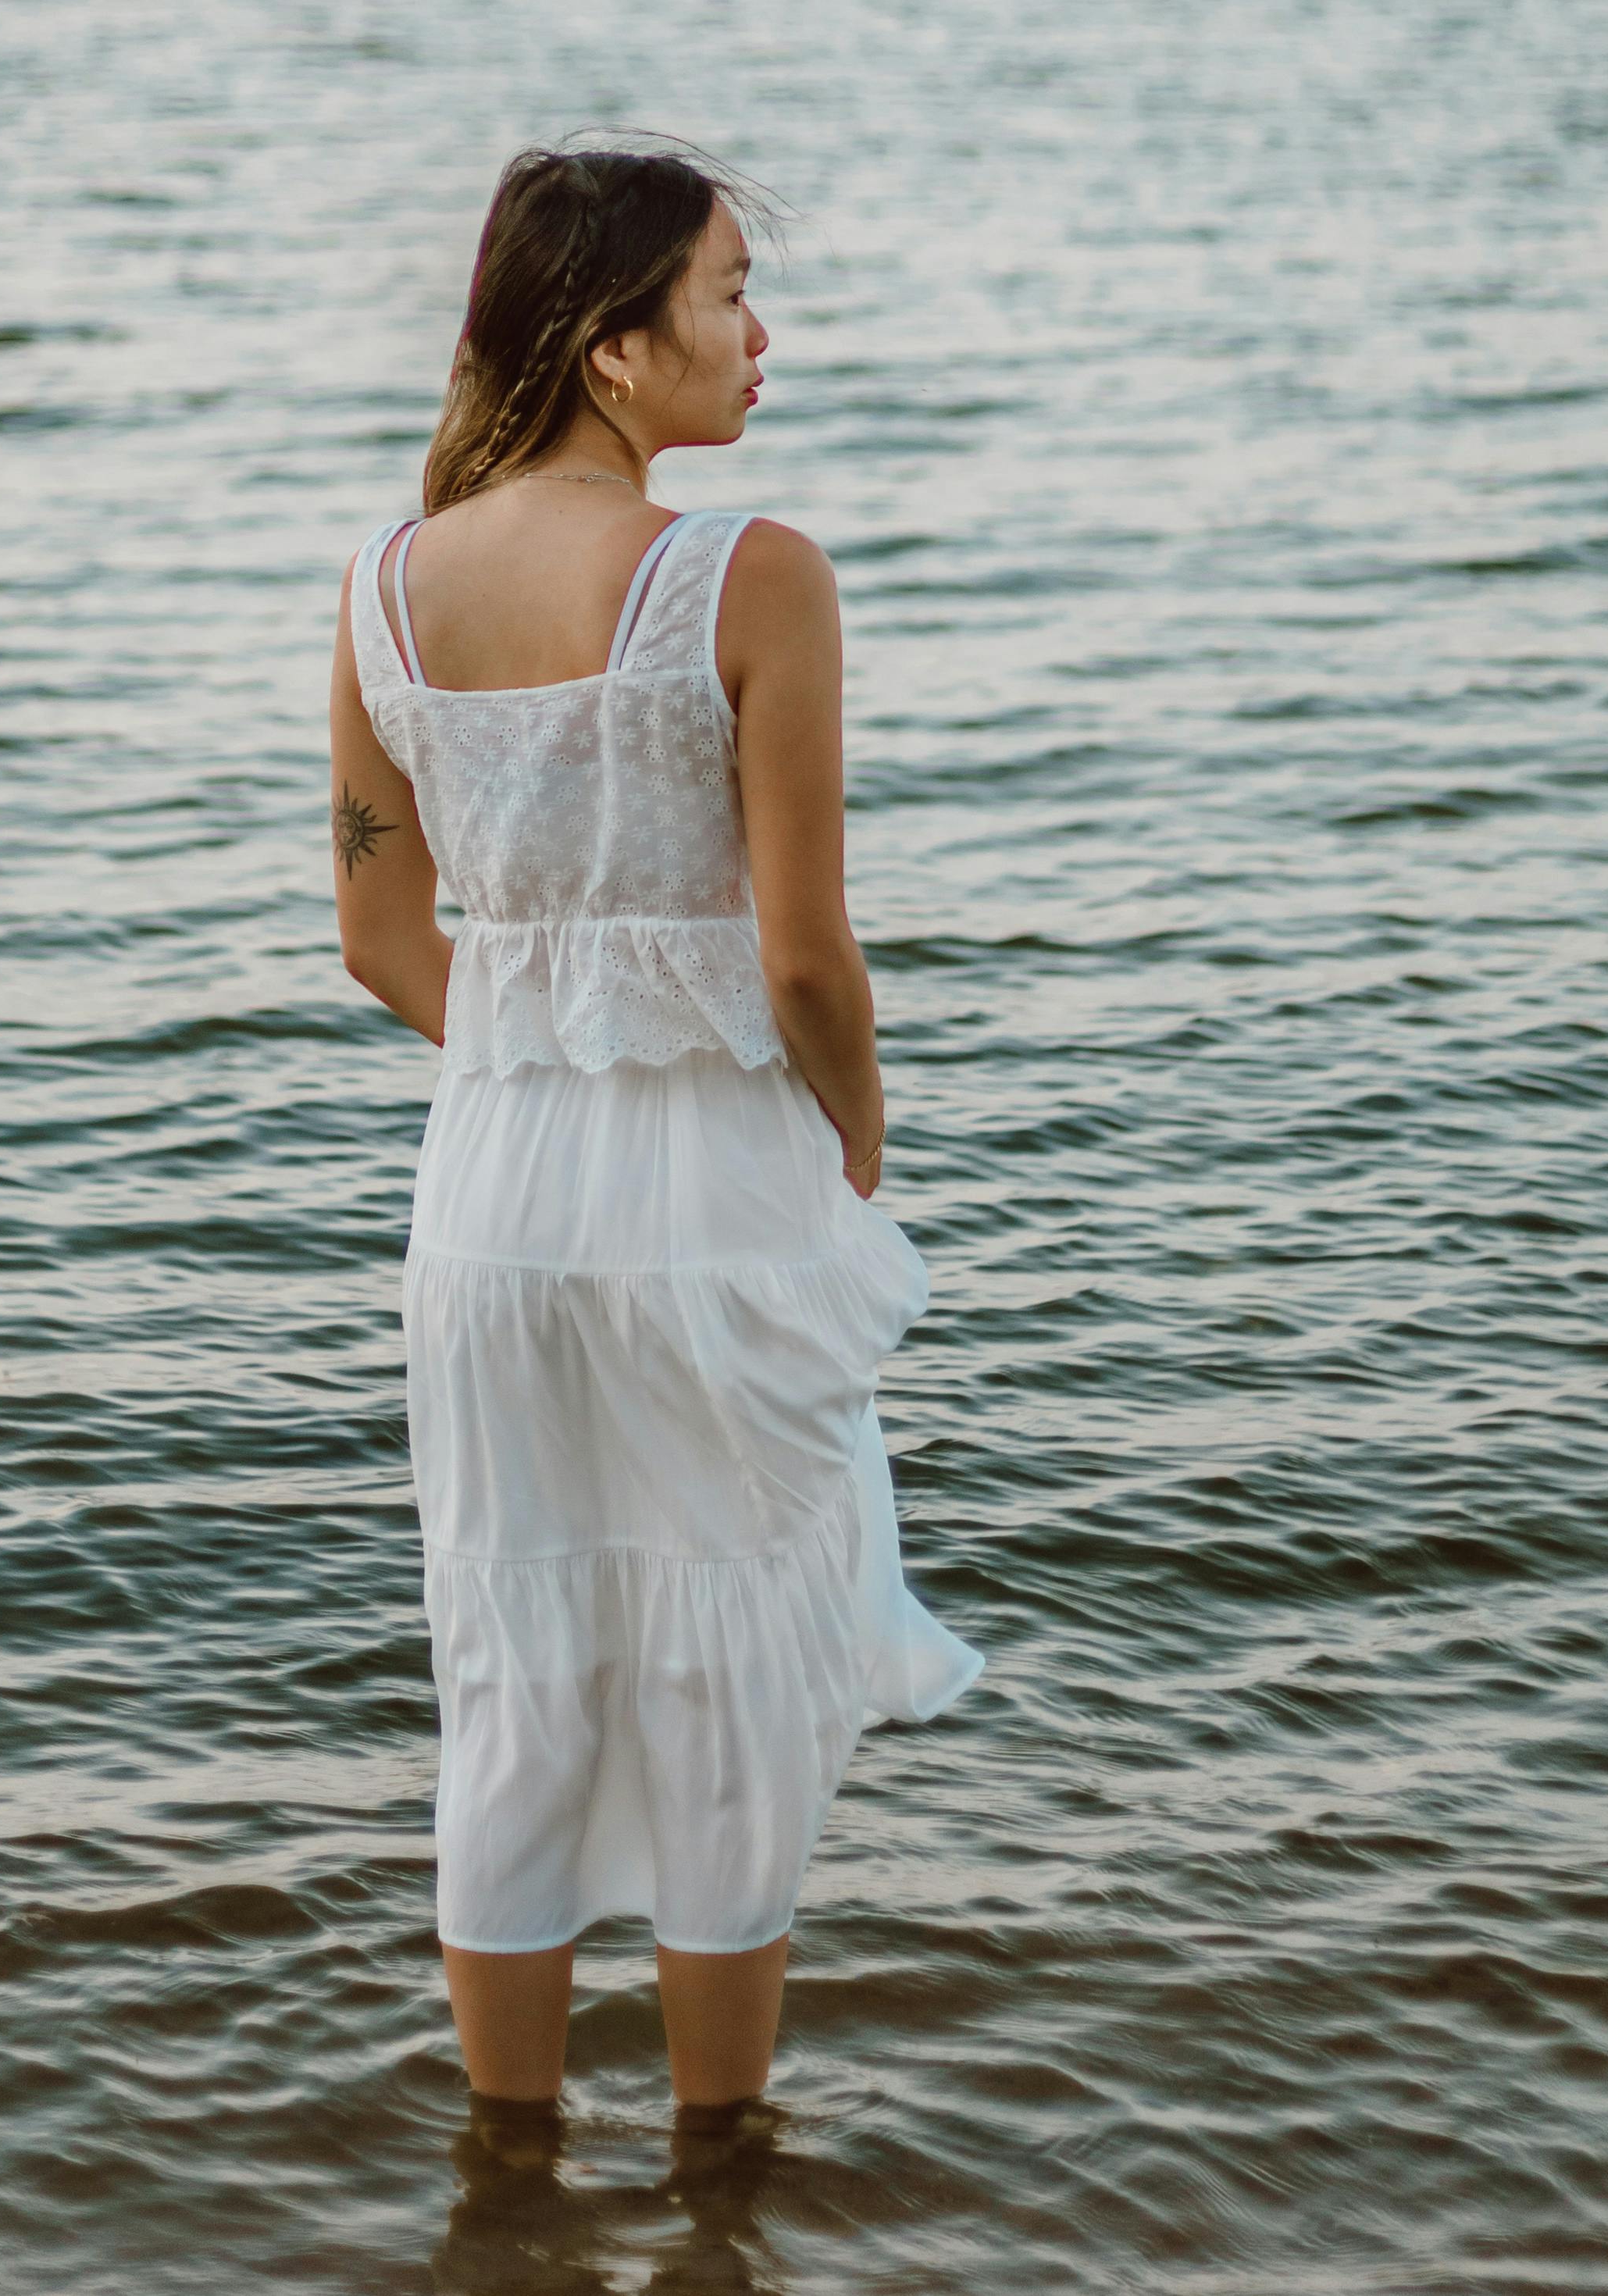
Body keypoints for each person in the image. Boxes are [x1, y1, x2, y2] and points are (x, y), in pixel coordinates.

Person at [329, 144, 980, 2134]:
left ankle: (506, 2180)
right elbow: (806, 963)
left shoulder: (384, 588)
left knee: (517, 1672)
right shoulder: (749, 573)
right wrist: (856, 1136)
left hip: (488, 1202)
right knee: (725, 1684)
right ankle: (718, 2175)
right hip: (705, 1188)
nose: (759, 334)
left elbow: (376, 941)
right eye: (724, 294)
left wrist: (545, 1046)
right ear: (616, 352)